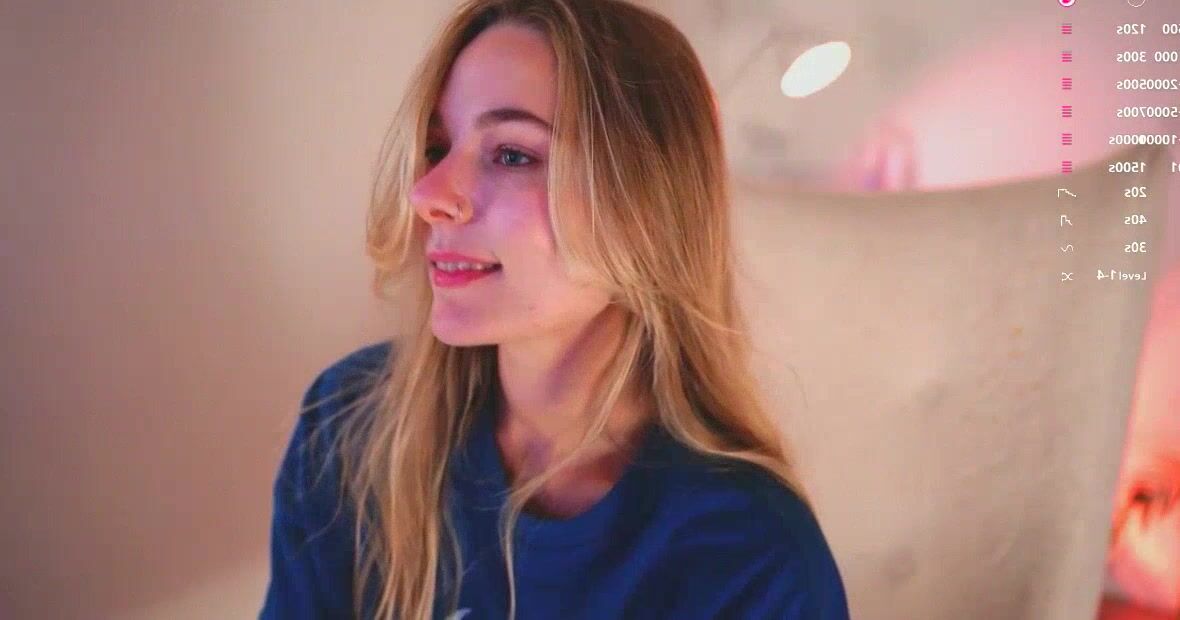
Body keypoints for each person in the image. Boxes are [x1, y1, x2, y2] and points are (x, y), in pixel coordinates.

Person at [260, 0, 850, 618]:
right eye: (437, 148)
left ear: (645, 206)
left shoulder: (749, 554)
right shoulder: (352, 424)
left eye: (512, 155)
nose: (429, 194)